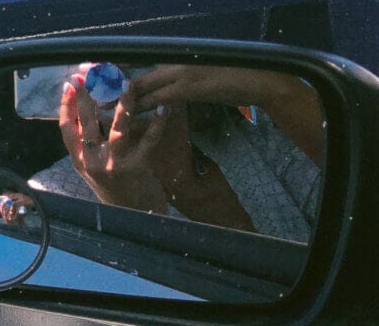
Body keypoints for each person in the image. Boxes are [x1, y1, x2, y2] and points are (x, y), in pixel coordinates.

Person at [28, 64, 323, 243]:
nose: (118, 77)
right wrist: (130, 216)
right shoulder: (49, 201)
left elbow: (361, 205)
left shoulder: (247, 136)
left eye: (141, 48)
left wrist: (277, 89)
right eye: (98, 67)